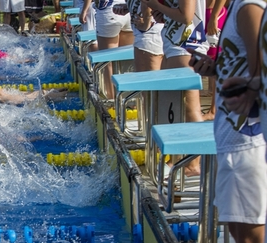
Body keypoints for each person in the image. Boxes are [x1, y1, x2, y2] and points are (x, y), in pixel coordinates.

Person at [189, 0, 266, 243]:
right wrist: (215, 67)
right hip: (233, 136)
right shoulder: (238, 6)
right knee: (240, 235)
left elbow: (261, 71)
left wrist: (249, 90)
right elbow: (246, 68)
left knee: (251, 241)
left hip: (246, 142)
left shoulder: (250, 7)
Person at [143, 0, 209, 176]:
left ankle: (193, 163)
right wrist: (164, 15)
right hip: (177, 44)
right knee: (181, 107)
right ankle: (186, 160)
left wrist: (157, 6)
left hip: (185, 47)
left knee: (189, 108)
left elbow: (186, 16)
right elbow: (183, 14)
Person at [82, 0, 134, 99]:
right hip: (129, 10)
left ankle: (113, 101)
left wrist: (84, 10)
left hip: (109, 10)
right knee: (126, 62)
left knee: (108, 63)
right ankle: (129, 101)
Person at [113, 0, 164, 72]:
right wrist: (129, 7)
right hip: (160, 33)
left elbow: (147, 2)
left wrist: (145, 25)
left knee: (148, 79)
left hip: (149, 36)